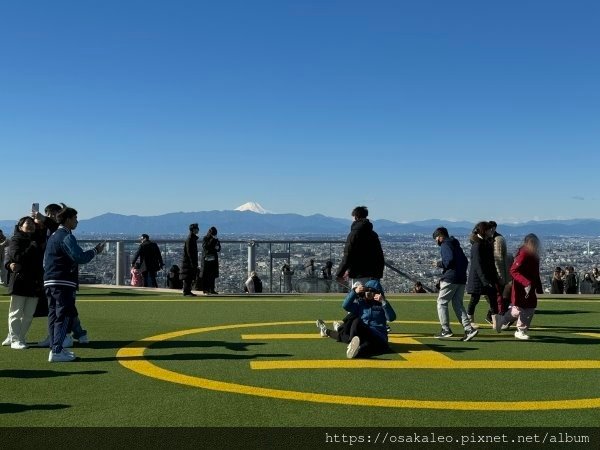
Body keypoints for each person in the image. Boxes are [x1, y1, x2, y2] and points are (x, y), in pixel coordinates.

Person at [43, 204, 105, 362]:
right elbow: (79, 257)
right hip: (63, 281)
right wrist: (95, 251)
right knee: (64, 316)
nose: (77, 221)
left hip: (50, 280)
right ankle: (57, 350)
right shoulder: (66, 236)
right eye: (75, 218)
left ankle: (56, 348)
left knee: (53, 314)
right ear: (68, 219)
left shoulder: (53, 235)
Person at [316, 280, 396, 359]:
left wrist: (384, 302)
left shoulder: (382, 305)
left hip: (378, 335)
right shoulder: (361, 304)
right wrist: (354, 292)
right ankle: (328, 332)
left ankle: (355, 349)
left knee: (370, 345)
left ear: (378, 293)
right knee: (356, 322)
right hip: (364, 333)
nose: (368, 293)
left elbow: (391, 318)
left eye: (372, 291)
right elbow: (345, 306)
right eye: (367, 290)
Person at [2, 217, 44, 349]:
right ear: (20, 227)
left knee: (29, 314)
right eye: (28, 224)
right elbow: (16, 256)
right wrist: (32, 246)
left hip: (35, 280)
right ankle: (15, 339)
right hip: (21, 280)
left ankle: (19, 337)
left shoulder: (37, 239)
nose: (31, 226)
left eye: (32, 224)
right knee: (16, 312)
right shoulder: (17, 239)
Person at [432, 227, 479, 341]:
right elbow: (464, 261)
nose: (436, 241)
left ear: (440, 236)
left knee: (441, 302)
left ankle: (445, 329)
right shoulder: (456, 245)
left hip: (450, 278)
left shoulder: (445, 245)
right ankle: (469, 329)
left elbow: (448, 260)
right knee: (458, 304)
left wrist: (438, 263)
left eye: (436, 238)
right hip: (461, 278)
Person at [495, 234, 543, 340]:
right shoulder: (524, 254)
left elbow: (536, 273)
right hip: (521, 287)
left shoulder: (534, 256)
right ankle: (520, 330)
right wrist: (526, 282)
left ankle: (503, 321)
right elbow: (513, 270)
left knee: (525, 309)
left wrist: (538, 287)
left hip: (529, 287)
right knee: (521, 309)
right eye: (533, 243)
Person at [335, 206, 384, 286]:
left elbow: (348, 255)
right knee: (372, 297)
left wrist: (339, 274)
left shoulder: (354, 234)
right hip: (374, 274)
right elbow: (380, 255)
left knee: (359, 296)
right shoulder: (373, 234)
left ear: (355, 217)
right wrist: (378, 274)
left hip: (359, 274)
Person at [466, 221, 502, 328]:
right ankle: (470, 321)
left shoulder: (487, 243)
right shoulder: (477, 245)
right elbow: (478, 265)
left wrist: (495, 276)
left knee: (492, 298)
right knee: (475, 299)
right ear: (484, 231)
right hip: (479, 278)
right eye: (489, 229)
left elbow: (491, 262)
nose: (491, 231)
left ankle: (496, 322)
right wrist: (485, 280)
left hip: (487, 276)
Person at [180, 223, 200, 297]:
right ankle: (186, 291)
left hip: (189, 261)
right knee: (188, 276)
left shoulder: (191, 238)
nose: (198, 230)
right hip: (188, 261)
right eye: (197, 228)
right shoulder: (190, 239)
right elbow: (189, 252)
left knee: (189, 276)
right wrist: (192, 262)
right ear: (193, 230)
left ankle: (188, 291)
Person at [201, 226, 221, 295]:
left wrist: (216, 247)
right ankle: (206, 289)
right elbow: (206, 247)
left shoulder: (215, 239)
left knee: (212, 275)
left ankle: (212, 289)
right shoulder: (206, 238)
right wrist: (213, 240)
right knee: (206, 275)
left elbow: (218, 248)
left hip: (213, 259)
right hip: (207, 259)